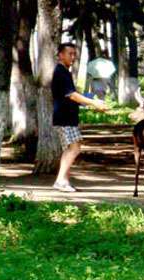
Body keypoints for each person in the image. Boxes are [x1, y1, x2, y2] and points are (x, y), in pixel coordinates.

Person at [52, 43, 109, 192]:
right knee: (74, 148)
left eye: (74, 54)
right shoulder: (60, 72)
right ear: (60, 55)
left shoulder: (65, 72)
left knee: (70, 148)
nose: (72, 57)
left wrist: (91, 100)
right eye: (69, 54)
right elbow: (71, 94)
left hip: (68, 117)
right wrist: (93, 103)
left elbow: (73, 96)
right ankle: (60, 181)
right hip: (64, 118)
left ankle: (64, 181)